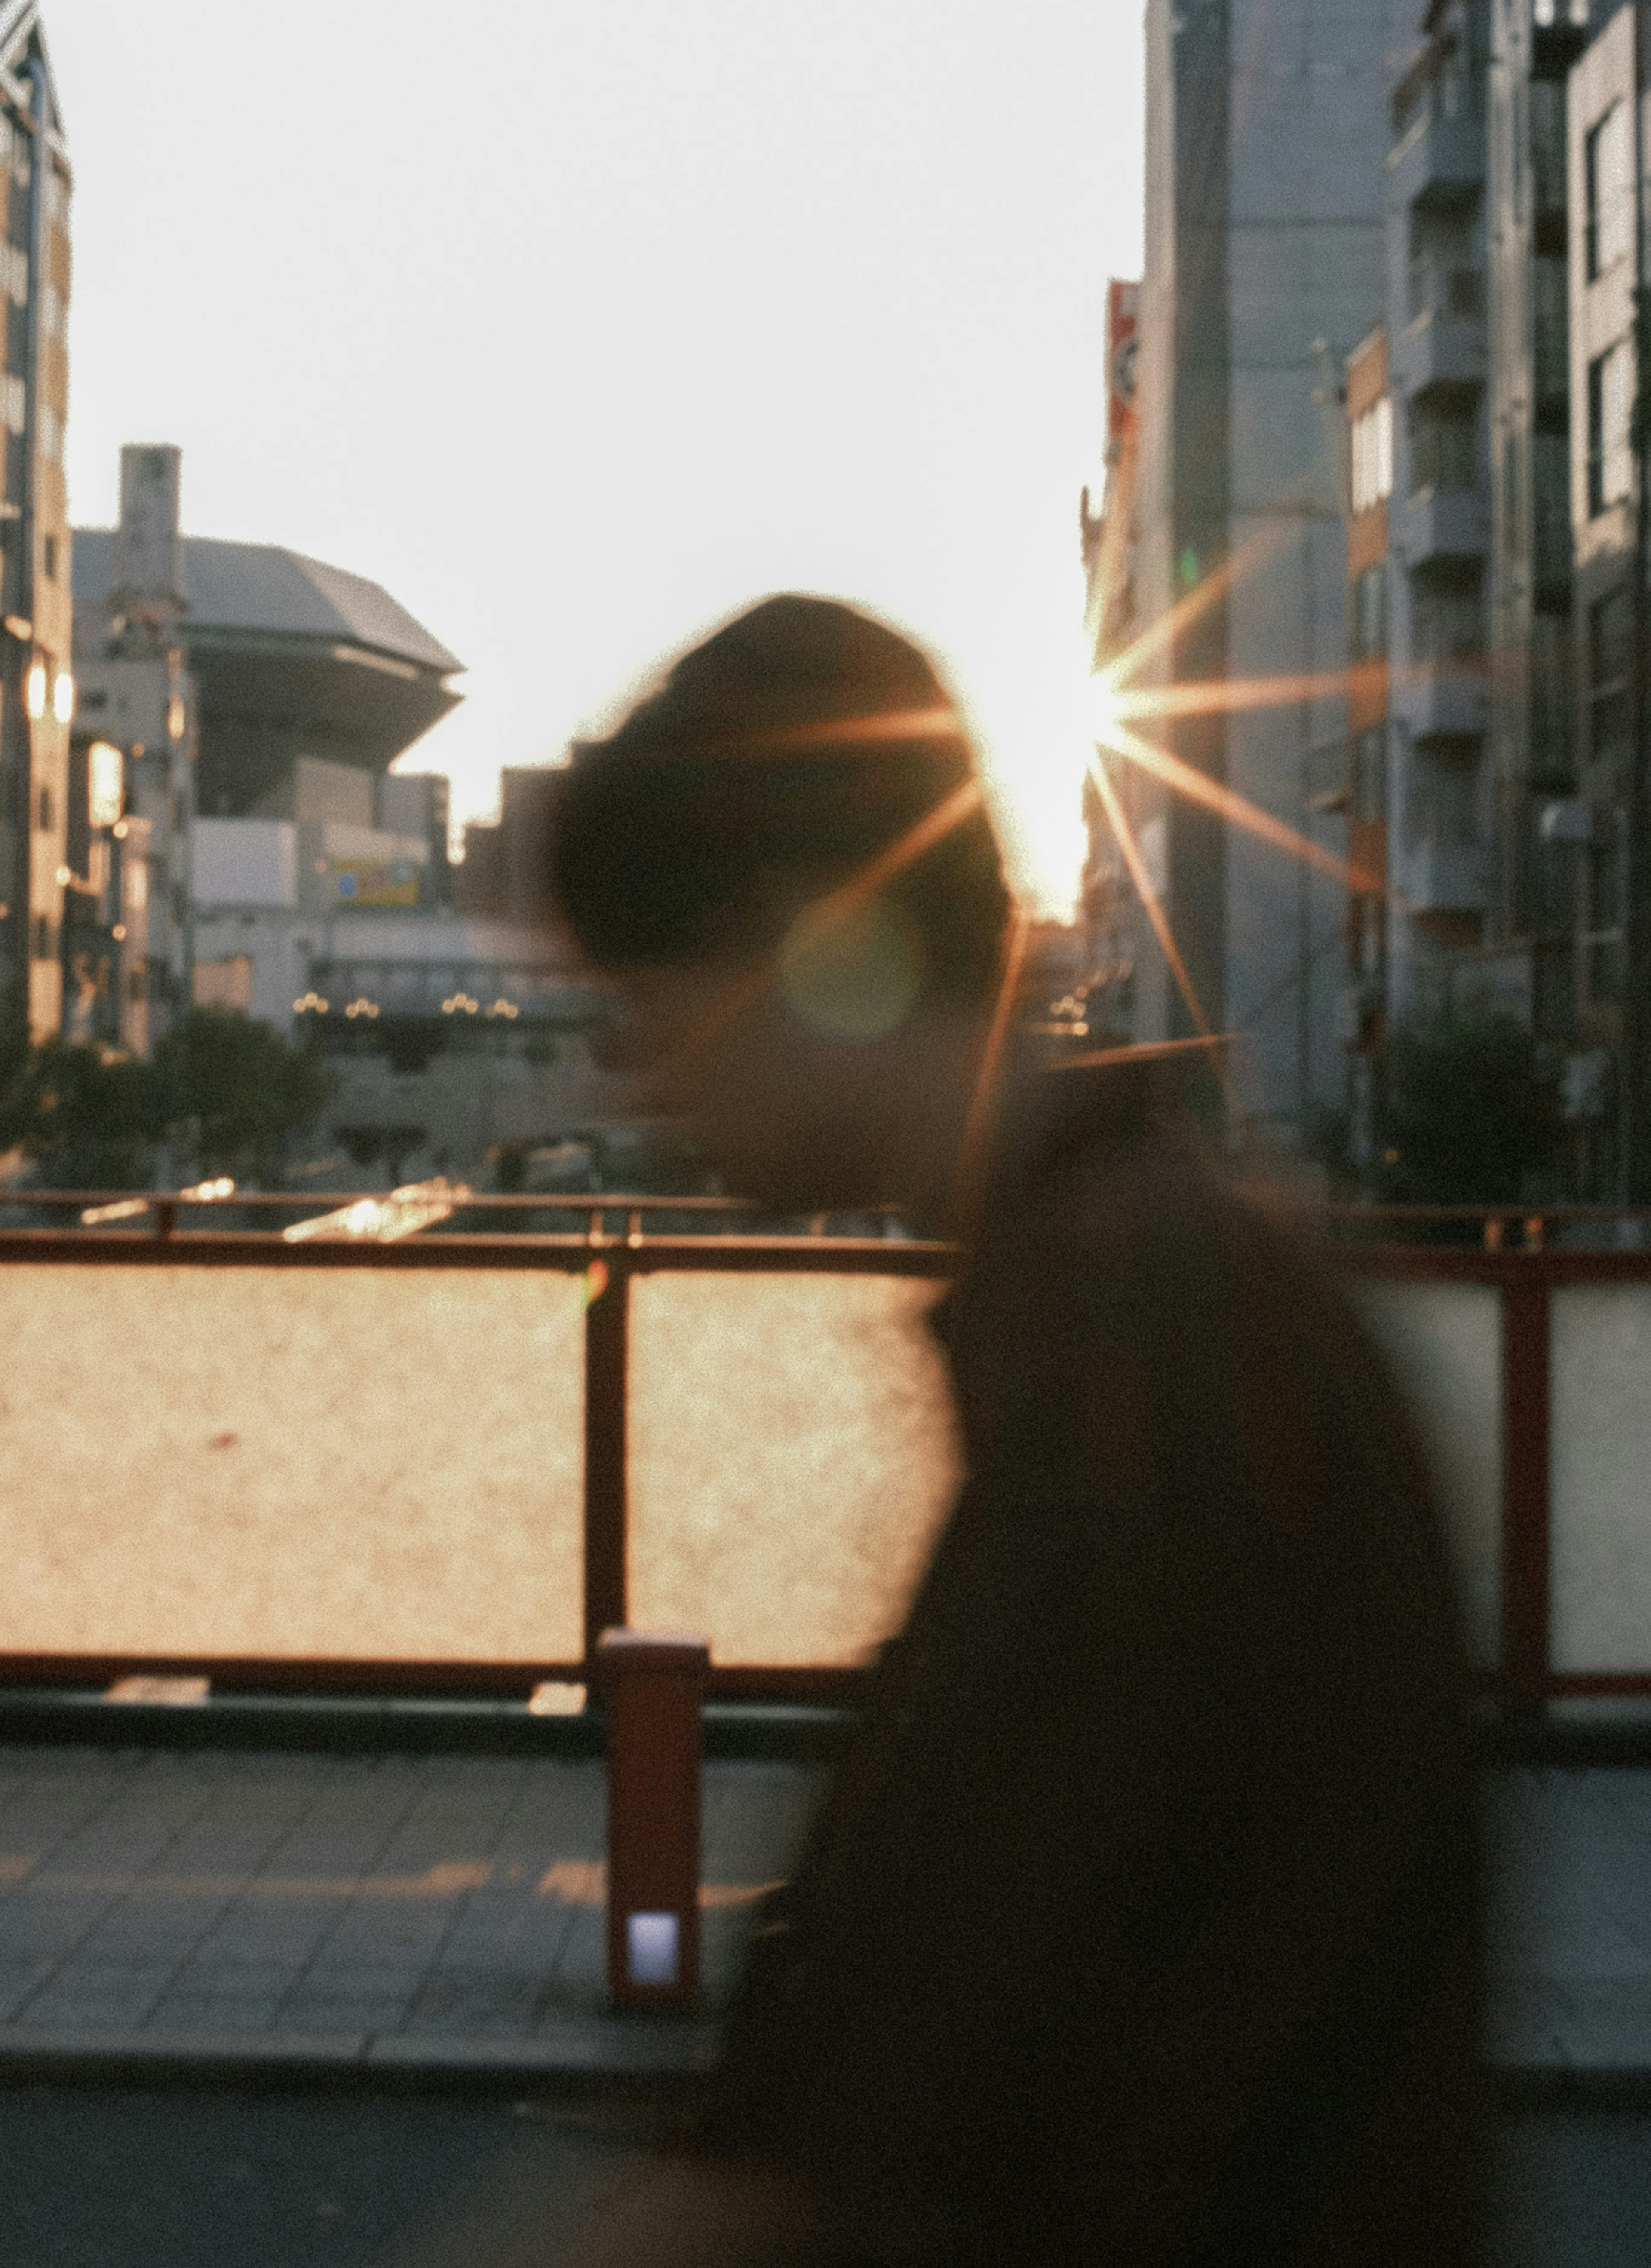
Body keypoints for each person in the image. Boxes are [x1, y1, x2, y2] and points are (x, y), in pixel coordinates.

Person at [546, 594, 1482, 2268]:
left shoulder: (1126, 1337)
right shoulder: (1155, 1269)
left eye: (644, 1002)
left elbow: (866, 2115)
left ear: (798, 937)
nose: (637, 1084)